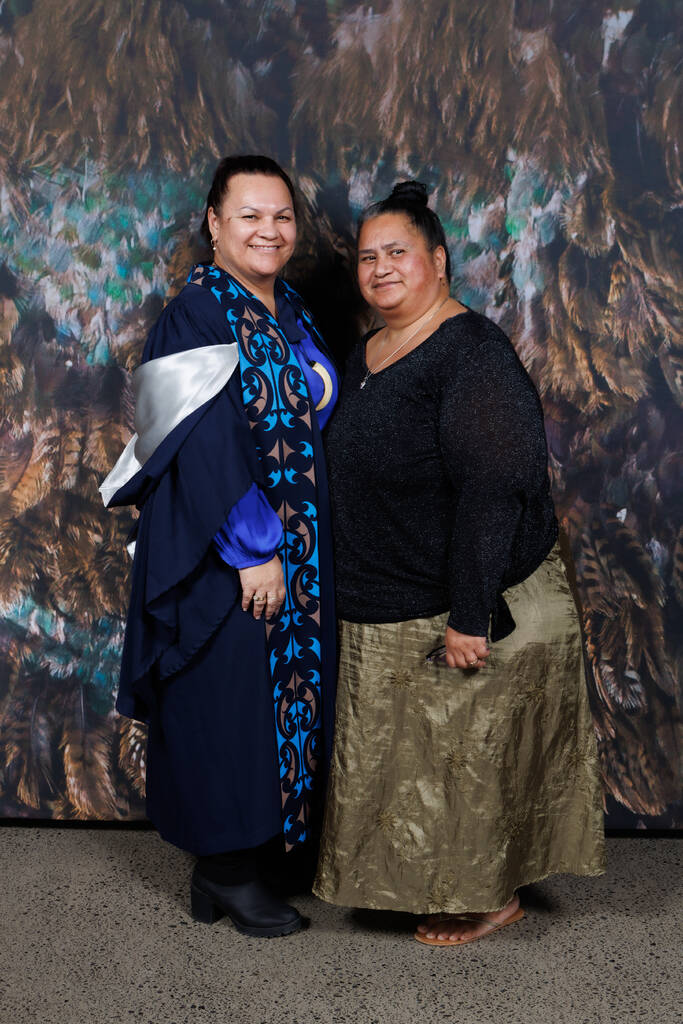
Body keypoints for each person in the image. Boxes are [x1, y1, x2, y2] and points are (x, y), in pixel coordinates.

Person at [313, 181, 605, 946]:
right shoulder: (369, 347)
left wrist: (469, 614)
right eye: (367, 257)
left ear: (438, 261)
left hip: (460, 596)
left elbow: (493, 487)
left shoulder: (470, 353)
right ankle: (419, 881)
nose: (379, 269)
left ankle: (488, 898)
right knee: (410, 760)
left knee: (458, 761)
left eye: (397, 253)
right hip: (383, 592)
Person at [101, 155, 339, 938]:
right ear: (213, 223)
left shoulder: (288, 306)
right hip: (226, 548)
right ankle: (227, 873)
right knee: (227, 700)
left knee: (275, 700)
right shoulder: (197, 313)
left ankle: (257, 858)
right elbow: (202, 442)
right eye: (249, 215)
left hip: (297, 546)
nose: (268, 230)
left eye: (281, 215)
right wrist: (254, 548)